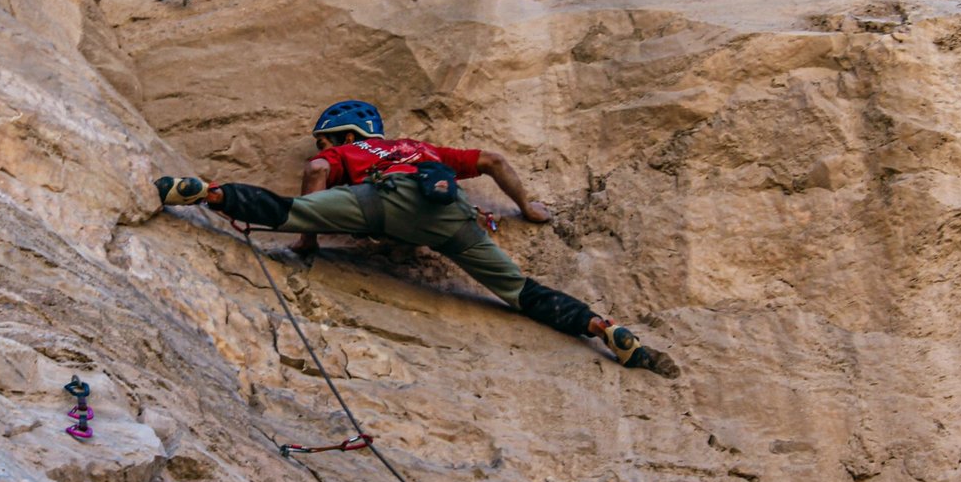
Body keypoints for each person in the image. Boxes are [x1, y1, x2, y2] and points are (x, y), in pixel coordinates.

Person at [156, 100, 679, 376]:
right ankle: (602, 327)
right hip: (448, 212)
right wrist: (528, 209)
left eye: (326, 137)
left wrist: (309, 239)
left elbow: (316, 170)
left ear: (343, 135)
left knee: (286, 212)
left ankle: (209, 193)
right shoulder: (417, 146)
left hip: (383, 203)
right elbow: (493, 160)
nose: (322, 146)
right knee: (519, 290)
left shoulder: (348, 154)